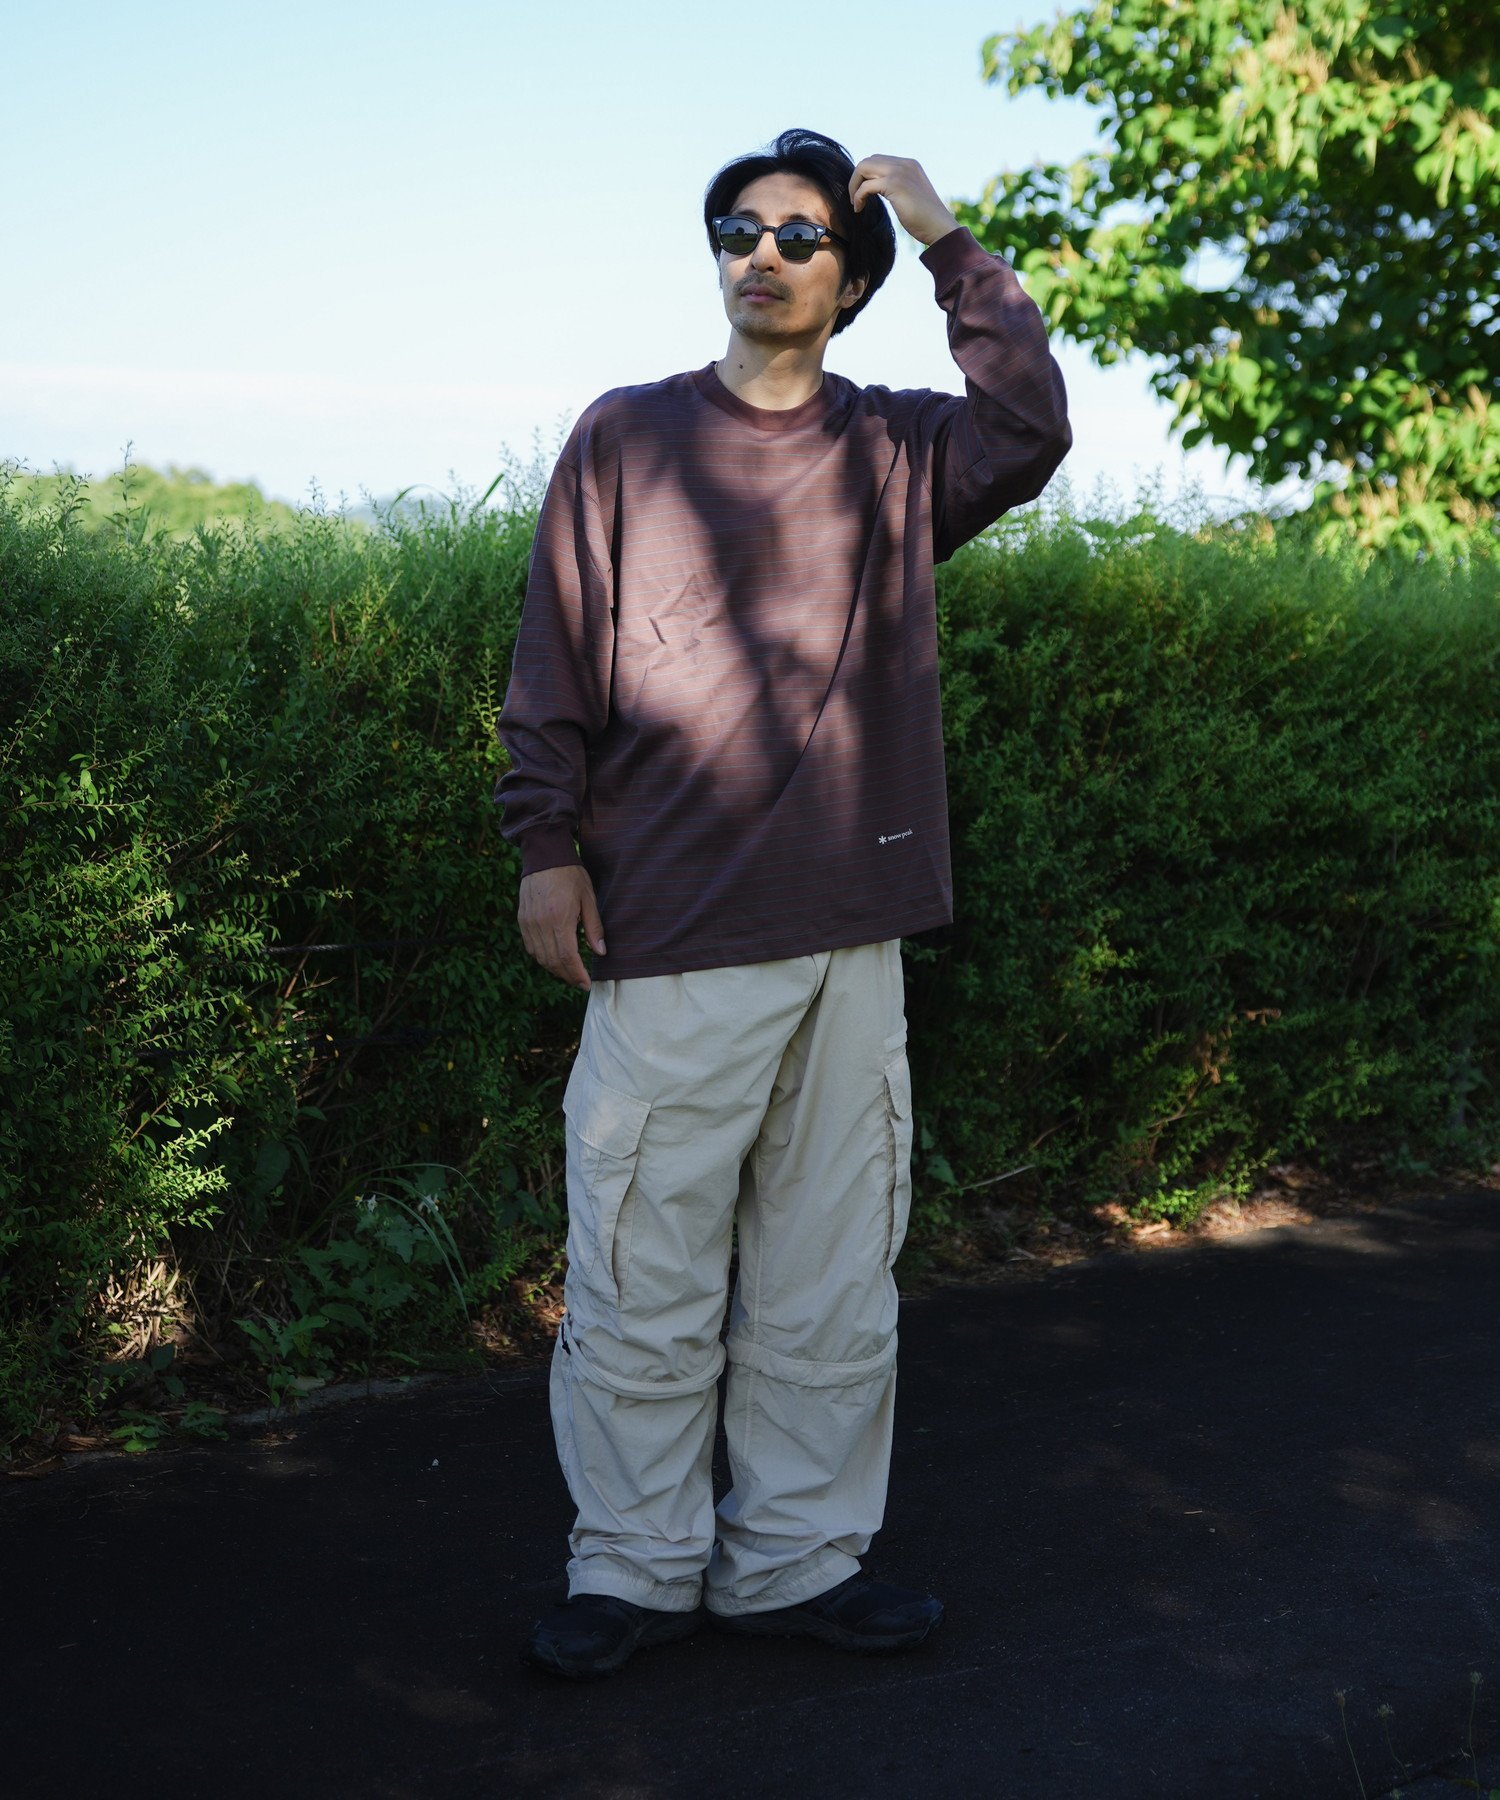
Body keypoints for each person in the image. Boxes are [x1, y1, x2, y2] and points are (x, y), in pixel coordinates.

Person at [496, 127, 1071, 1679]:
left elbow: (1029, 423)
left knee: (830, 1279)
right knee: (643, 1272)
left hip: (852, 937)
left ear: (849, 280)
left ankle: (796, 1566)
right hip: (673, 933)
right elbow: (554, 652)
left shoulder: (897, 453)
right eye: (739, 230)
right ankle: (630, 1571)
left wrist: (949, 239)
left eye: (800, 236)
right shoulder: (628, 436)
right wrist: (545, 845)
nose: (763, 253)